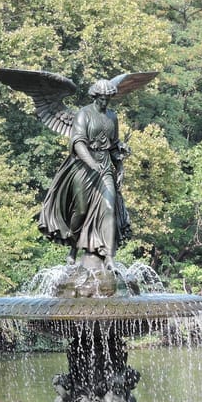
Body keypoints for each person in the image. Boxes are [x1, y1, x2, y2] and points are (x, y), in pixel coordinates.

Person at [37, 79, 131, 270]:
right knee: (80, 210)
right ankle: (73, 246)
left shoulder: (112, 117)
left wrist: (119, 166)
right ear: (95, 96)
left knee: (109, 207)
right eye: (102, 98)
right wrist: (91, 162)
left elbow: (113, 145)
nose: (105, 102)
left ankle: (109, 256)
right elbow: (78, 142)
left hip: (104, 167)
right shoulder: (84, 114)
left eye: (108, 99)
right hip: (83, 168)